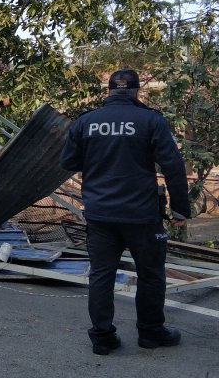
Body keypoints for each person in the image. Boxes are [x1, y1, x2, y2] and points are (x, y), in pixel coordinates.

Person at [60, 68, 190, 355]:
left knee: (102, 275)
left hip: (100, 215)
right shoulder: (150, 120)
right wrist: (181, 208)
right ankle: (151, 334)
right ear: (135, 92)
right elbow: (173, 166)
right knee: (151, 275)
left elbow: (68, 161)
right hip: (142, 215)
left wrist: (99, 160)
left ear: (109, 91)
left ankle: (103, 337)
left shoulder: (87, 122)